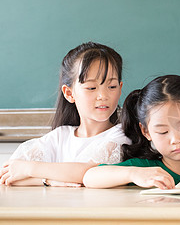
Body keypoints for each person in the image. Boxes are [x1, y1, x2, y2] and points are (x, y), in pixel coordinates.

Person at [0, 42, 130, 186]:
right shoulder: (60, 136)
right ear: (69, 93)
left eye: (112, 86)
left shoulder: (121, 135)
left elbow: (88, 173)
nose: (103, 95)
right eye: (91, 87)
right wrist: (49, 180)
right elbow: (9, 175)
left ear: (120, 88)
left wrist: (30, 169)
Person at [83, 75, 180, 189]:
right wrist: (133, 174)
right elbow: (90, 177)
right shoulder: (146, 169)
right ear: (146, 131)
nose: (175, 139)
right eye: (162, 131)